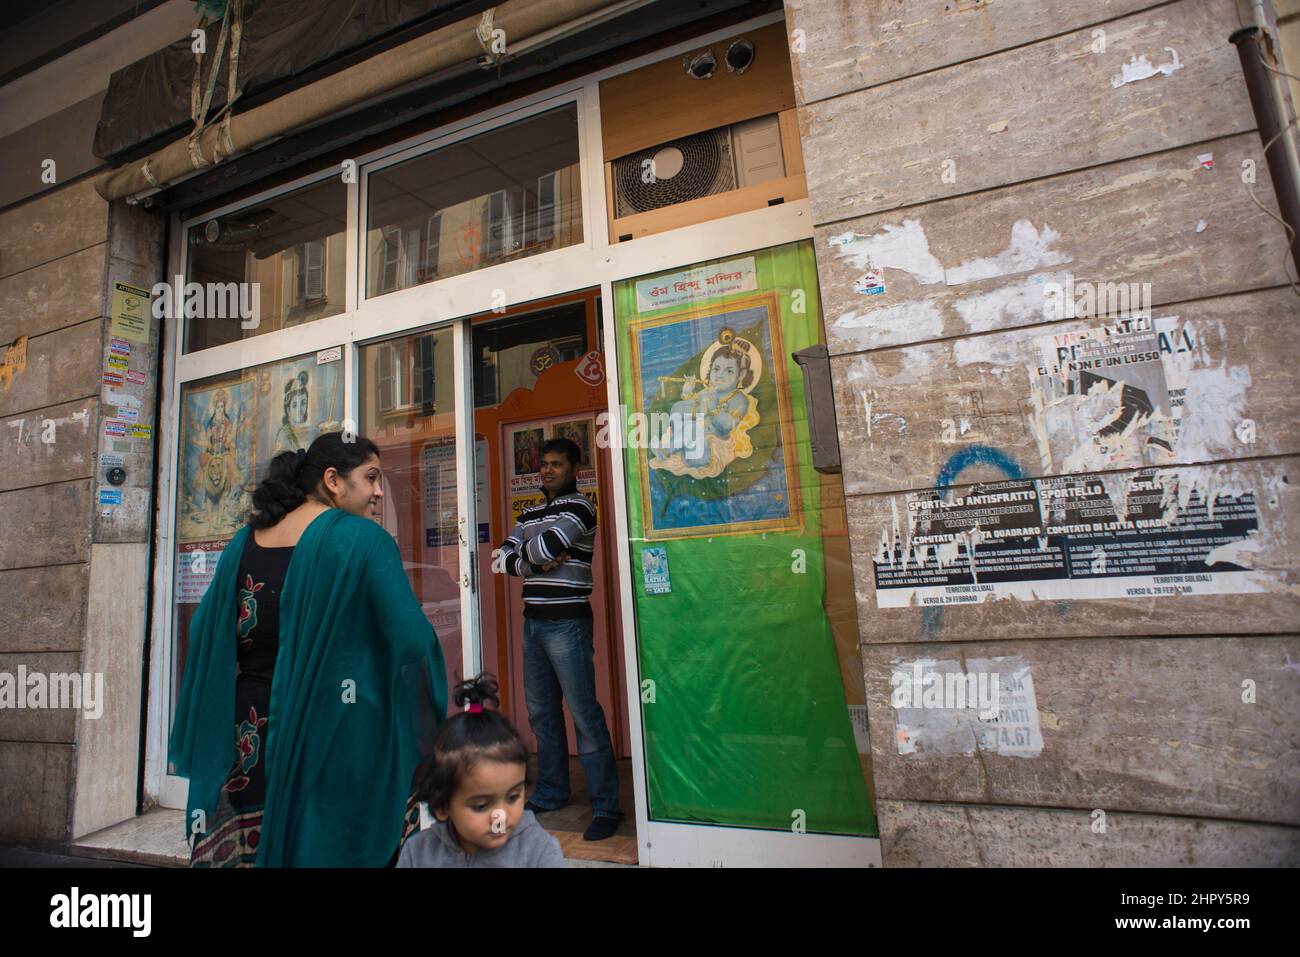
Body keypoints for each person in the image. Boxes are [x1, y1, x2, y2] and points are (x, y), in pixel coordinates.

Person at [170, 430, 448, 867]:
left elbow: (205, 629)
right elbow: (412, 639)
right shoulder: (362, 540)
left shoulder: (244, 542)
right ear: (333, 480)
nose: (379, 492)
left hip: (251, 738)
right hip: (335, 732)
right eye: (371, 477)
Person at [496, 437, 623, 841]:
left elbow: (544, 545)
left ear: (574, 469)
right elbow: (502, 559)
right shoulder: (531, 511)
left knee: (584, 715)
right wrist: (533, 558)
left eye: (556, 464)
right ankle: (552, 793)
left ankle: (606, 806)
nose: (547, 470)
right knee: (542, 715)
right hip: (533, 623)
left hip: (568, 622)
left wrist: (528, 555)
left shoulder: (582, 506)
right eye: (543, 465)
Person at [398, 674, 565, 867]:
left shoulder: (538, 851)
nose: (500, 817)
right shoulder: (419, 854)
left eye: (513, 797)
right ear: (441, 806)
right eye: (481, 805)